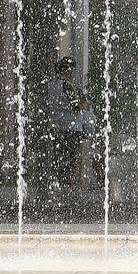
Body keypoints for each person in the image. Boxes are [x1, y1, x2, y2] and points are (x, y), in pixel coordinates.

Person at [43, 56, 93, 192]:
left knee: (60, 157)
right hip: (71, 128)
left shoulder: (51, 84)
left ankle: (60, 184)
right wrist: (87, 103)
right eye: (72, 70)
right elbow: (76, 106)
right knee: (70, 159)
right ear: (68, 71)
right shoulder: (67, 85)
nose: (74, 73)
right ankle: (68, 187)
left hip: (56, 125)